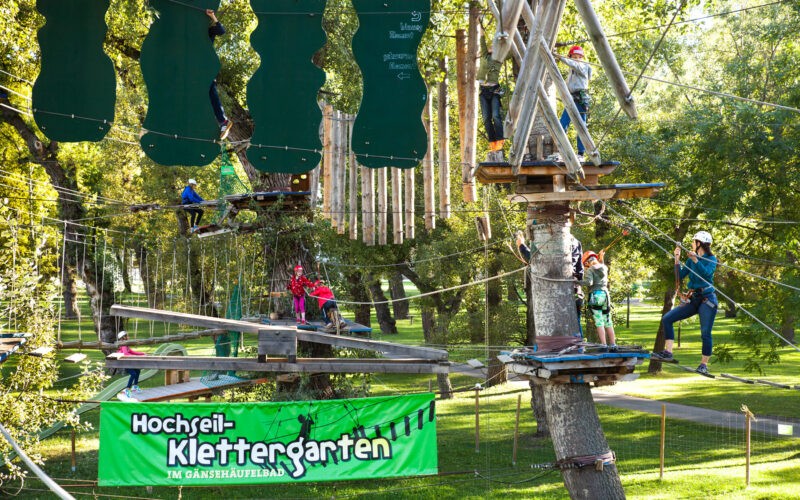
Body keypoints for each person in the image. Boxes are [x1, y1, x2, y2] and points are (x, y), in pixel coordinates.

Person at [653, 231, 718, 375]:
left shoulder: (711, 259)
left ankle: (704, 365)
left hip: (707, 299)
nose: (691, 244)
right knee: (667, 319)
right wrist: (676, 260)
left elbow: (706, 274)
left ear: (699, 243)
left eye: (693, 242)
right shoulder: (690, 259)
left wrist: (695, 260)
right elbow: (680, 276)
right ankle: (668, 352)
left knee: (705, 333)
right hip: (693, 298)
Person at [516, 231, 584, 334]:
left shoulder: (554, 242)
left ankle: (572, 347)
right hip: (574, 289)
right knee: (575, 324)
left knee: (557, 327)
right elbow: (580, 270)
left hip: (557, 292)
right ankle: (578, 348)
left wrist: (522, 246)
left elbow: (539, 260)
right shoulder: (576, 242)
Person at [554, 45, 592, 159]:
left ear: (582, 58)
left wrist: (560, 57)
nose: (577, 58)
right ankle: (563, 150)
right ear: (570, 56)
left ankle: (581, 153)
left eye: (579, 57)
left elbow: (574, 64)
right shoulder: (572, 70)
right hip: (571, 99)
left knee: (581, 127)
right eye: (574, 56)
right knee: (562, 124)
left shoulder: (583, 66)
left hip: (580, 99)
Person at [577, 250, 617, 352]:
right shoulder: (604, 267)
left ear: (586, 262)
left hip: (595, 297)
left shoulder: (590, 270)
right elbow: (600, 266)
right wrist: (601, 259)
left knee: (599, 322)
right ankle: (613, 345)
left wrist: (576, 281)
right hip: (605, 296)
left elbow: (589, 282)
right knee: (608, 321)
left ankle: (603, 345)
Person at [477, 21, 506, 162]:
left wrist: (504, 40)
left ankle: (500, 139)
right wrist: (480, 26)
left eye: (493, 46)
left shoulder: (499, 59)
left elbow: (510, 51)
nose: (490, 48)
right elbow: (481, 40)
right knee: (486, 119)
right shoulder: (484, 55)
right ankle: (492, 141)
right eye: (490, 46)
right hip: (483, 91)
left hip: (494, 90)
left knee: (495, 115)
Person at [206, 9, 233, 140]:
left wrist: (213, 17)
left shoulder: (208, 32)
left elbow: (221, 31)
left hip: (206, 67)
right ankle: (221, 121)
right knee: (207, 93)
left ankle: (223, 121)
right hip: (197, 68)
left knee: (210, 90)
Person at [116, 331, 145, 398]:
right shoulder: (124, 344)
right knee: (133, 374)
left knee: (137, 371)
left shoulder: (127, 344)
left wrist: (143, 353)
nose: (128, 337)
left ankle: (134, 386)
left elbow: (132, 352)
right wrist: (135, 356)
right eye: (127, 336)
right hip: (125, 363)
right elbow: (125, 353)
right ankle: (127, 389)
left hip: (129, 362)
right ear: (124, 337)